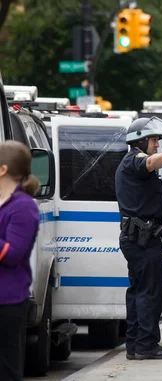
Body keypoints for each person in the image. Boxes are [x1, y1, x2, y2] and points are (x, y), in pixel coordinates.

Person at [115, 117, 162, 360]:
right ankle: (146, 345)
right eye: (154, 139)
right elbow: (150, 163)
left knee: (138, 292)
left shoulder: (132, 160)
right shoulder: (135, 159)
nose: (157, 144)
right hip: (142, 240)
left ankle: (135, 344)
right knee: (150, 292)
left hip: (139, 239)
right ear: (141, 141)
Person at [0, 141, 41, 381]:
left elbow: (13, 254)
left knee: (7, 370)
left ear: (3, 169)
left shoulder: (23, 207)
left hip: (7, 301)